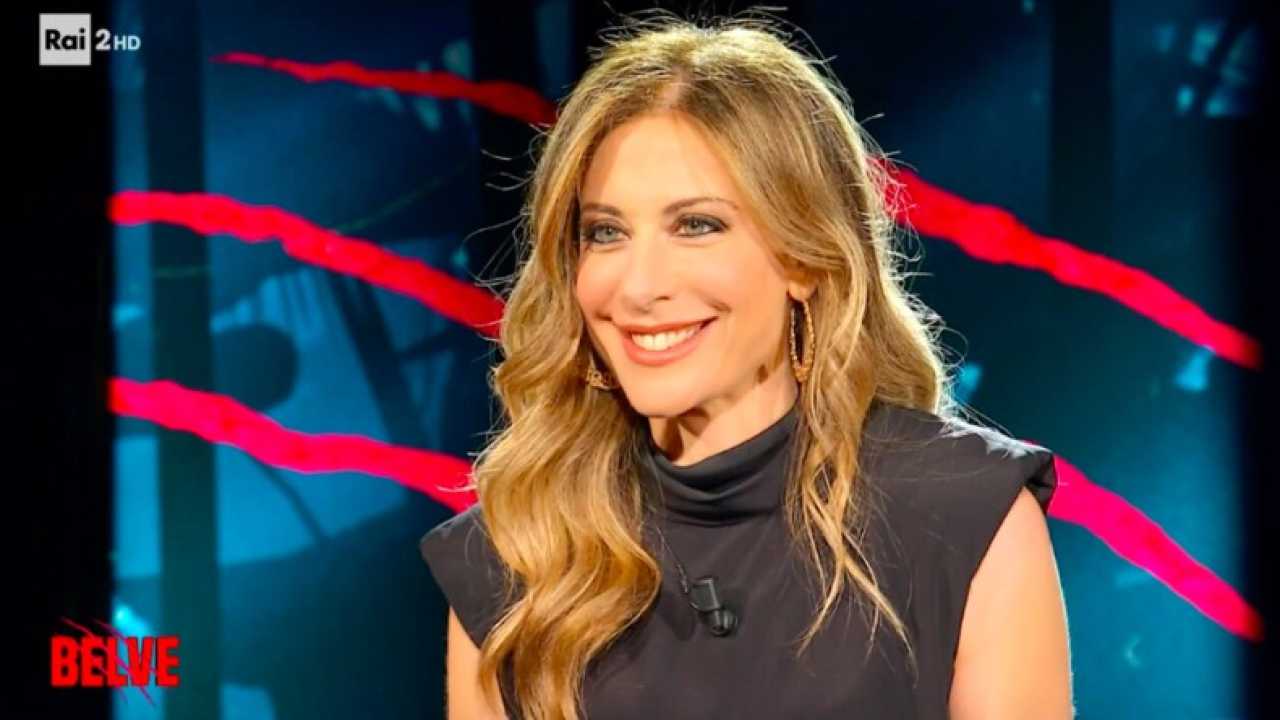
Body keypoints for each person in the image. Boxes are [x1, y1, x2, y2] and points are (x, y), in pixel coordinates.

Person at [419, 10, 1073, 720]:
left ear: (803, 257)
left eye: (696, 225)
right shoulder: (514, 554)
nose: (638, 286)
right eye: (605, 233)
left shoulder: (963, 515)